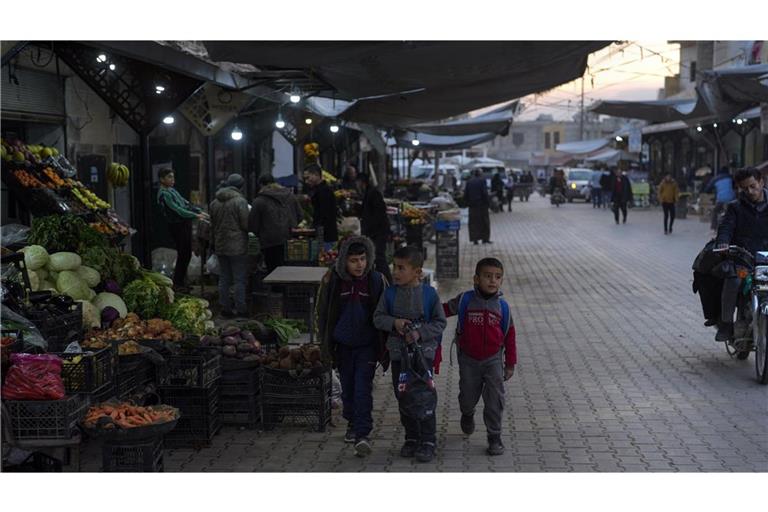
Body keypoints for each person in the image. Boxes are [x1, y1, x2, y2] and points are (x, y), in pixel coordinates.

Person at [373, 246, 447, 463]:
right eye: (394, 266)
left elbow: (440, 322)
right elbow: (377, 318)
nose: (395, 272)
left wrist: (419, 333)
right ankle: (412, 437)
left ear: (417, 272)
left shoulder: (429, 294)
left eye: (401, 268)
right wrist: (394, 323)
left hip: (423, 358)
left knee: (423, 397)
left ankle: (428, 440)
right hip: (398, 358)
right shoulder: (389, 294)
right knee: (403, 396)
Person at [316, 236, 387, 457]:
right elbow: (323, 312)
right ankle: (351, 421)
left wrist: (384, 348)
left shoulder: (376, 281)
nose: (359, 265)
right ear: (343, 262)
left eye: (363, 259)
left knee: (362, 388)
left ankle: (362, 434)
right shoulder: (333, 281)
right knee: (348, 388)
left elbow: (385, 312)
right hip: (343, 345)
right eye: (353, 260)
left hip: (366, 346)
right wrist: (326, 344)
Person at [442, 257, 517, 456]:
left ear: (501, 281)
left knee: (494, 400)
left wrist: (510, 363)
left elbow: (509, 336)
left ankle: (494, 436)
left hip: (493, 360)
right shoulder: (465, 300)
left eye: (497, 277)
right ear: (476, 279)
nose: (492, 281)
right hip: (468, 360)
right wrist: (424, 310)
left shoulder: (503, 307)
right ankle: (467, 413)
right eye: (487, 276)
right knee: (467, 396)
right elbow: (443, 310)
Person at [713, 167, 768, 341]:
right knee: (734, 280)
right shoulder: (735, 208)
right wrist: (723, 242)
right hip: (744, 260)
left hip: (766, 259)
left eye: (753, 186)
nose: (750, 191)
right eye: (745, 189)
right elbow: (726, 227)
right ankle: (726, 324)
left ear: (761, 182)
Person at [156, 168, 208, 291]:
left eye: (173, 177)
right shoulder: (164, 194)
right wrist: (195, 215)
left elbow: (185, 203)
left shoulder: (172, 190)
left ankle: (182, 281)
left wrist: (199, 211)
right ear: (162, 179)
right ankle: (178, 283)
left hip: (184, 224)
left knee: (187, 253)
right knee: (183, 254)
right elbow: (178, 210)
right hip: (177, 226)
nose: (172, 179)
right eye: (169, 177)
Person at [209, 173, 251, 317]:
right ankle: (241, 309)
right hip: (238, 246)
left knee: (224, 278)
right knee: (239, 279)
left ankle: (225, 308)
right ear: (241, 186)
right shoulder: (240, 201)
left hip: (221, 244)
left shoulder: (215, 202)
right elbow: (245, 224)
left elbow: (212, 224)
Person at [248, 174, 303, 274]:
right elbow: (300, 215)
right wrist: (290, 225)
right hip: (289, 237)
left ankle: (276, 289)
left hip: (269, 241)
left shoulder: (259, 201)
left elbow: (253, 224)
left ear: (261, 185)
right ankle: (285, 287)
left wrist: (257, 234)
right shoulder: (290, 196)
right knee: (287, 268)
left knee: (272, 269)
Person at [356, 173, 394, 283]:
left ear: (362, 183)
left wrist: (369, 230)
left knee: (379, 256)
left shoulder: (373, 193)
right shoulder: (368, 193)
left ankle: (387, 281)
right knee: (375, 256)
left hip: (378, 232)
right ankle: (380, 280)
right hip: (374, 232)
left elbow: (379, 214)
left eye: (358, 183)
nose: (357, 186)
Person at [304, 164, 338, 251]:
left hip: (325, 234)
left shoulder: (324, 191)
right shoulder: (321, 190)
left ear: (316, 175)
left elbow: (323, 215)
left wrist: (315, 227)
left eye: (308, 178)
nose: (306, 181)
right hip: (325, 233)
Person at [704, 166, 736, 231]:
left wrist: (710, 191)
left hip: (720, 199)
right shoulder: (731, 177)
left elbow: (707, 189)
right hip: (731, 198)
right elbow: (736, 186)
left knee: (715, 211)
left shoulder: (716, 179)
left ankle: (713, 227)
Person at [465, 170, 492, 244]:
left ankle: (475, 239)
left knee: (473, 222)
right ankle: (485, 239)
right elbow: (484, 193)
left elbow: (466, 194)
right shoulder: (482, 181)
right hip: (482, 205)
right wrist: (488, 203)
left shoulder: (469, 182)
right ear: (480, 174)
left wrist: (467, 203)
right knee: (484, 221)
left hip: (472, 205)